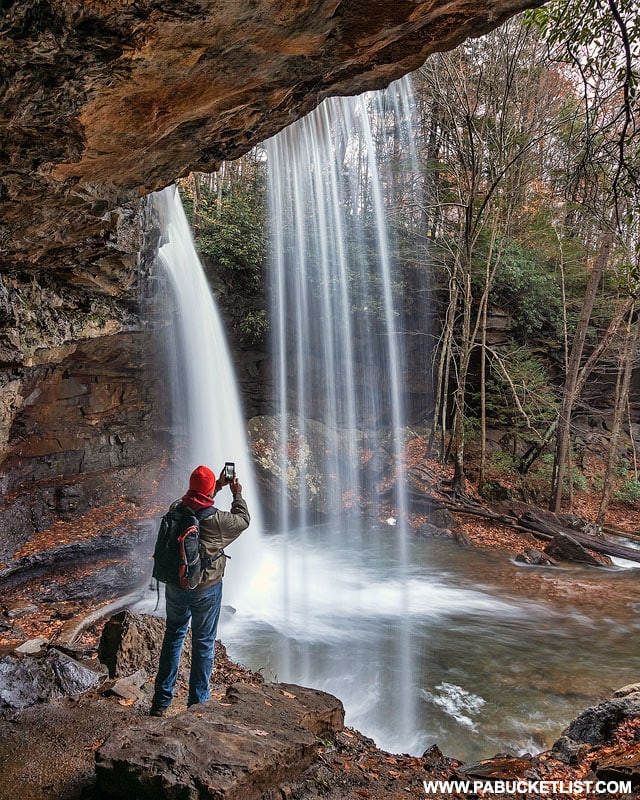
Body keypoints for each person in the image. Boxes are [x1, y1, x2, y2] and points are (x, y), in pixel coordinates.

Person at [150, 464, 250, 716]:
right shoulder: (217, 521)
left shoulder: (176, 510)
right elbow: (243, 520)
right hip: (207, 589)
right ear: (208, 492)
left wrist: (213, 487)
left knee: (173, 636)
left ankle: (161, 701)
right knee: (203, 643)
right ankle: (198, 706)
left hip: (176, 585)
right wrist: (236, 494)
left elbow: (195, 501)